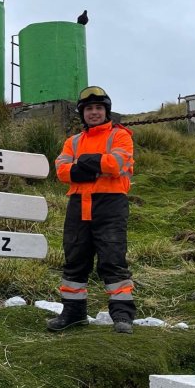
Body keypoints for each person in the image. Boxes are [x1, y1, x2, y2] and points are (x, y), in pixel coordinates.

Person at [49, 86, 136, 334]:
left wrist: (82, 163)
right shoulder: (73, 141)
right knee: (75, 260)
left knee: (113, 260)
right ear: (82, 113)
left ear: (106, 111)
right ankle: (74, 314)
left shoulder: (121, 136)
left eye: (98, 108)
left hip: (111, 204)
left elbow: (116, 164)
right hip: (78, 205)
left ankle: (122, 316)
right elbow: (62, 171)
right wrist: (98, 166)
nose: (94, 112)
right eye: (89, 109)